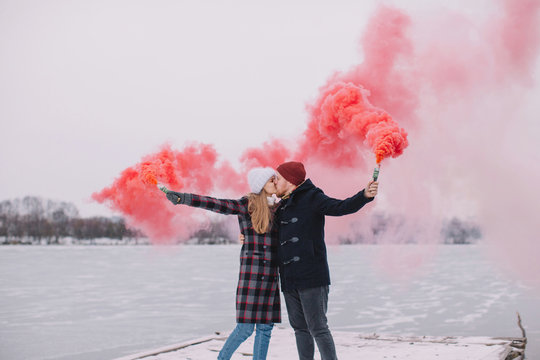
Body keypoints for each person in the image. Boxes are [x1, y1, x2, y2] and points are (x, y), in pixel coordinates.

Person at [163, 167, 281, 360]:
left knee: (265, 328)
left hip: (270, 276)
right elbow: (215, 203)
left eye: (276, 180)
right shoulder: (246, 205)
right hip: (251, 276)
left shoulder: (278, 208)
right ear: (261, 186)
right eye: (271, 181)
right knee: (244, 329)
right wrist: (183, 198)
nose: (275, 183)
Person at [273, 161, 378, 360]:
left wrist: (364, 195)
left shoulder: (312, 196)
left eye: (278, 178)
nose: (275, 182)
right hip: (289, 278)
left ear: (290, 180)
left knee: (318, 328)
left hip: (311, 276)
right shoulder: (282, 206)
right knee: (299, 329)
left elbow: (341, 206)